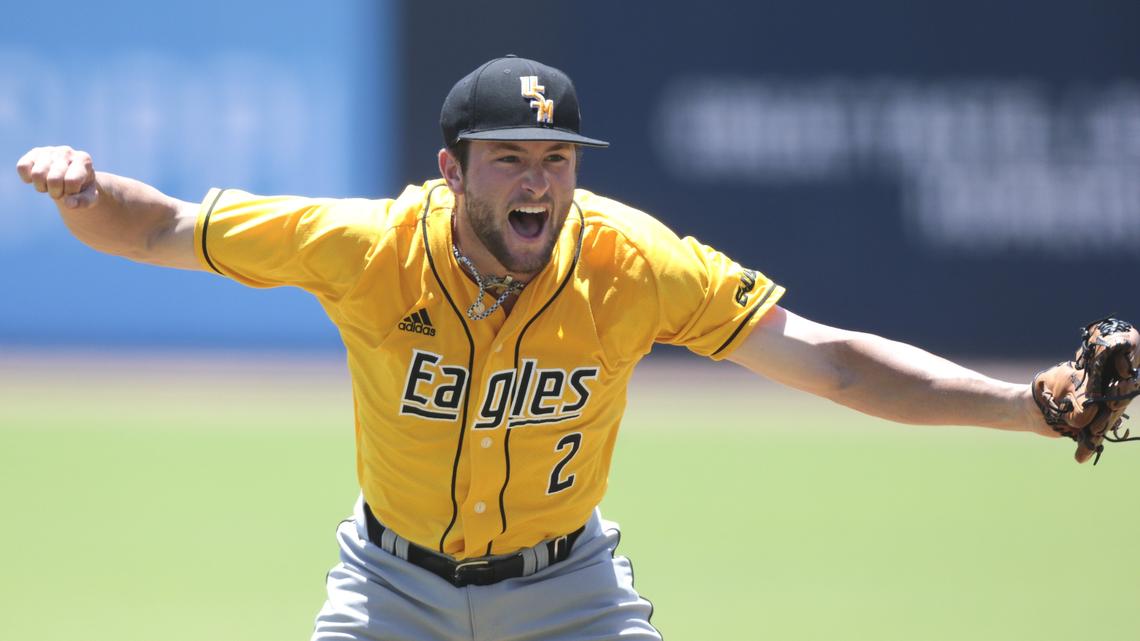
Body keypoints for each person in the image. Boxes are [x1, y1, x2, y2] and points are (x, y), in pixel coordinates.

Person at [16, 55, 1061, 641]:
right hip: (391, 592)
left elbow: (825, 358)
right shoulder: (369, 248)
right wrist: (84, 190)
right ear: (452, 169)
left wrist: (1027, 404)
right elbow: (162, 228)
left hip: (573, 597)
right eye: (509, 158)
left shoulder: (632, 263)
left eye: (555, 158)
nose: (537, 181)